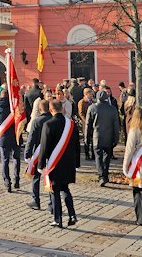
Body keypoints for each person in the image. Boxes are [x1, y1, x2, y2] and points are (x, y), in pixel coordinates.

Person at [38, 100, 79, 228]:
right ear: (62, 108)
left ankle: (58, 219)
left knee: (54, 191)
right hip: (68, 163)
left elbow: (44, 147)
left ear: (51, 110)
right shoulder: (71, 124)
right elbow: (77, 145)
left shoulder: (48, 124)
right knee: (65, 189)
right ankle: (72, 214)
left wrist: (40, 164)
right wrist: (76, 162)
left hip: (54, 163)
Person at [86, 90, 120, 186]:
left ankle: (101, 176)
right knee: (107, 157)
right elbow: (116, 125)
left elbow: (88, 124)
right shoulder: (112, 109)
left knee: (98, 157)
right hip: (109, 137)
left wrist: (86, 138)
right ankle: (105, 174)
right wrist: (116, 138)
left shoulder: (92, 108)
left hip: (97, 136)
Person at [24, 99, 51, 210]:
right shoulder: (53, 119)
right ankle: (51, 203)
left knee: (36, 177)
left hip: (39, 152)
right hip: (51, 152)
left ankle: (36, 200)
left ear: (40, 109)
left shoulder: (36, 121)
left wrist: (27, 153)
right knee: (49, 177)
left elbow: (31, 139)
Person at [0, 89, 20, 191]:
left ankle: (7, 182)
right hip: (15, 136)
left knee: (5, 160)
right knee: (16, 158)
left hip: (4, 136)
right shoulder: (14, 107)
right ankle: (16, 179)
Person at [78, 88, 95, 160]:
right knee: (87, 139)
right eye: (90, 94)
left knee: (93, 139)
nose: (91, 95)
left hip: (93, 123)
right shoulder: (82, 102)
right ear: (85, 94)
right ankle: (87, 154)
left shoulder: (93, 102)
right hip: (86, 124)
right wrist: (87, 121)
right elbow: (81, 114)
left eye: (92, 94)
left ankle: (93, 155)